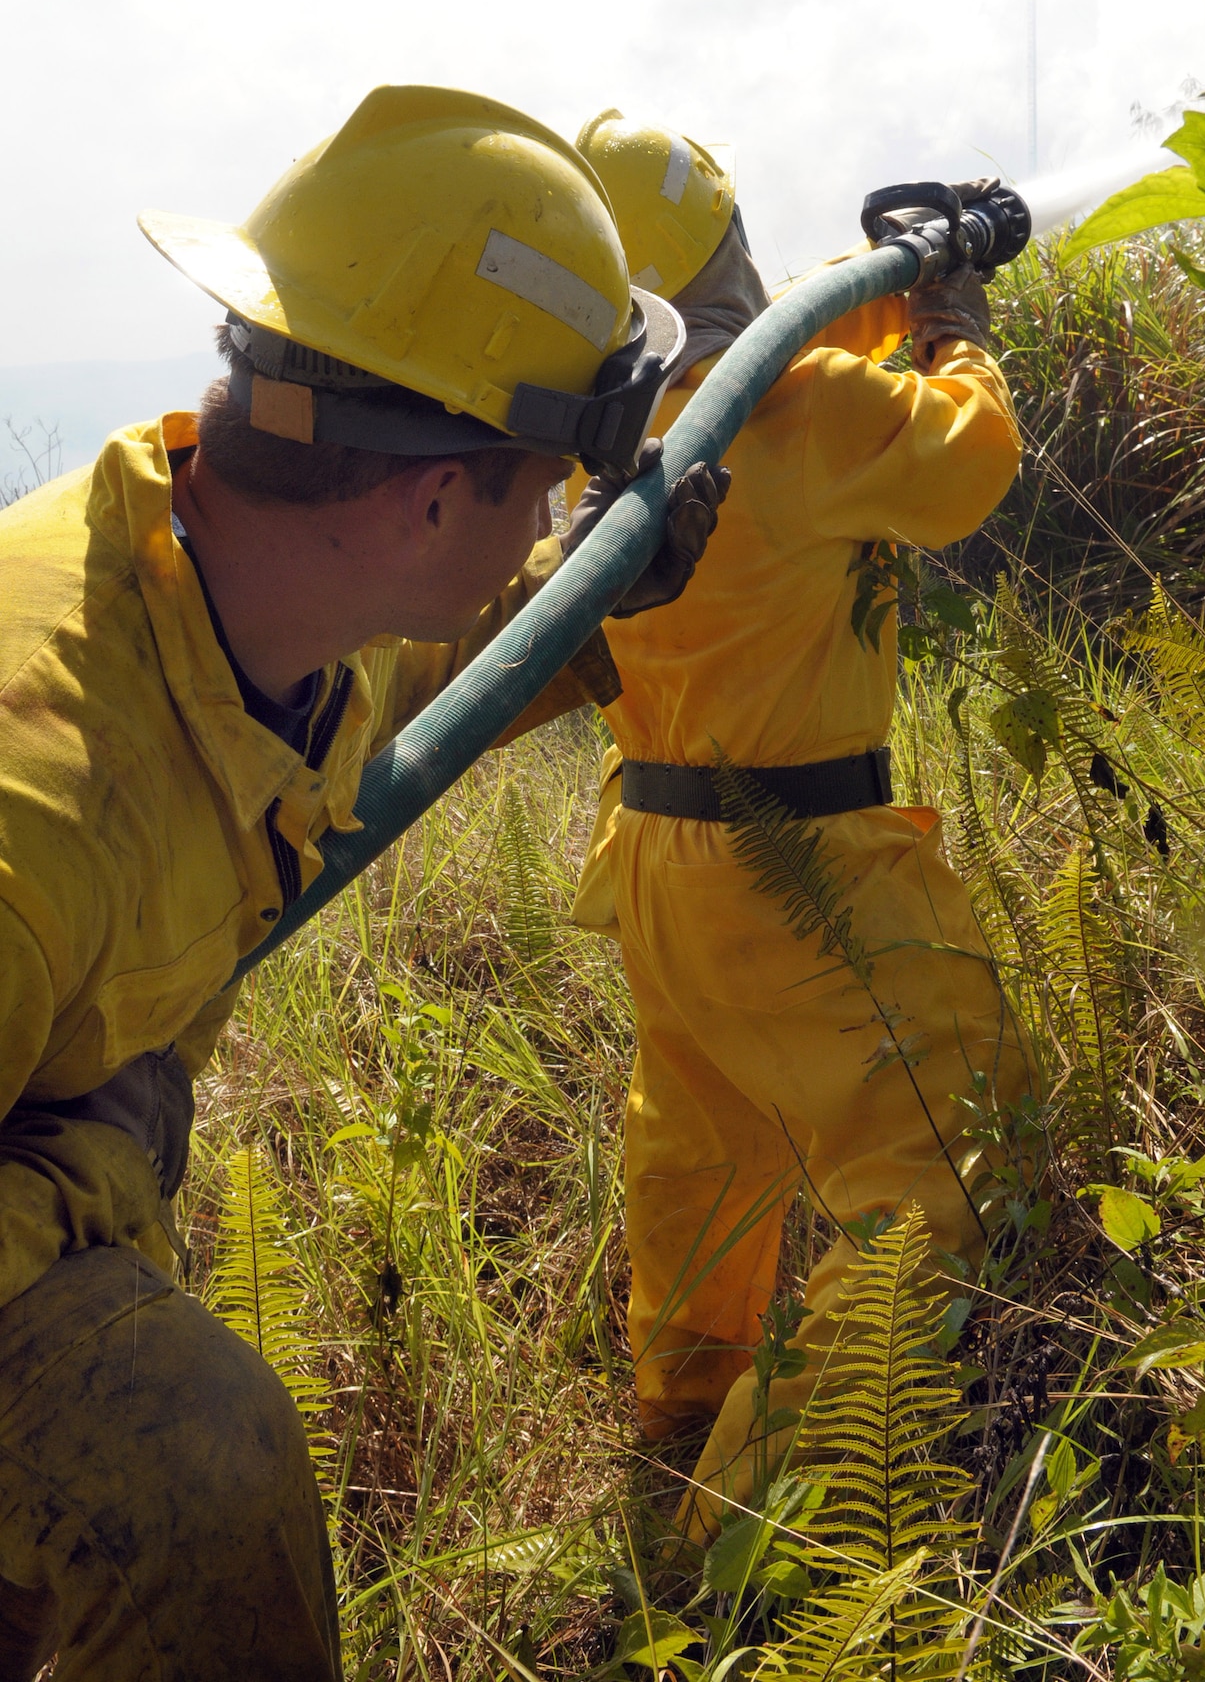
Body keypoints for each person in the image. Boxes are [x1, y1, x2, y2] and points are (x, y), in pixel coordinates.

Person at [0, 85, 726, 1680]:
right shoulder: (40, 790)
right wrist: (99, 1168)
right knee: (195, 1460)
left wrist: (602, 589)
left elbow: (426, 663)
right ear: (426, 498)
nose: (548, 523)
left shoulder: (252, 584)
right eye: (544, 493)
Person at [569, 109, 1031, 1539]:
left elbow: (775, 337)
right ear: (725, 245)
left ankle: (686, 1402)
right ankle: (759, 1530)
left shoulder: (617, 431)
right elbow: (965, 460)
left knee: (702, 1147)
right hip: (802, 868)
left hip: (657, 858)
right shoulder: (810, 409)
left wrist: (890, 271)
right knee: (942, 1167)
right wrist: (951, 323)